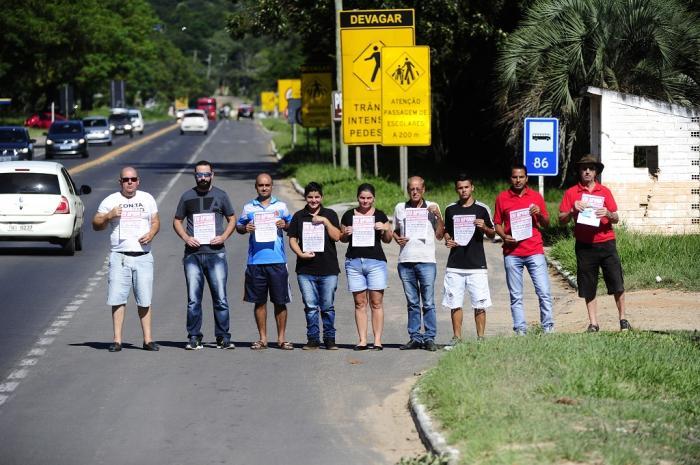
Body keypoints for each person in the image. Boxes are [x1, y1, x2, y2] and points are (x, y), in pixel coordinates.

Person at [558, 155, 630, 332]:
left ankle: (623, 320)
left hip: (606, 242)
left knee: (616, 282)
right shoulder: (571, 193)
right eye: (584, 168)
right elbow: (561, 220)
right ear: (580, 172)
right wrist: (572, 209)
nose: (587, 171)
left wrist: (607, 213)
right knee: (588, 285)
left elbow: (616, 218)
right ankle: (593, 323)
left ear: (596, 171)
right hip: (584, 245)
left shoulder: (604, 191)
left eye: (591, 168)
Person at [92, 166, 160, 352]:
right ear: (120, 182)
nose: (129, 182)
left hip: (143, 256)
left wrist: (152, 233)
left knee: (145, 300)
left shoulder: (147, 199)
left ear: (138, 181)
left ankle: (147, 340)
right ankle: (117, 340)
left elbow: (155, 221)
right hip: (120, 256)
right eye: (125, 180)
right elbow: (96, 224)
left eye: (133, 179)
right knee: (118, 298)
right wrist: (109, 215)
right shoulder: (111, 201)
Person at [173, 160, 237, 350]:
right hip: (193, 255)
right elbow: (177, 220)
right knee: (193, 299)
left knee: (220, 298)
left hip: (216, 254)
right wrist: (186, 237)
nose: (202, 178)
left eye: (206, 174)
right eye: (199, 175)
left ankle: (223, 337)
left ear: (212, 175)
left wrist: (223, 236)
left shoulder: (221, 195)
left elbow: (232, 218)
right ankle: (194, 336)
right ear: (195, 176)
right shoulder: (187, 197)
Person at [493, 164, 554, 335]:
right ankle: (520, 329)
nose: (518, 180)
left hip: (534, 250)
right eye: (514, 177)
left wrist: (540, 213)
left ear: (527, 178)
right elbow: (497, 223)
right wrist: (504, 237)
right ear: (510, 178)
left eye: (521, 177)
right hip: (512, 253)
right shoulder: (502, 198)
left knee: (544, 291)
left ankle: (548, 327)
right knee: (516, 295)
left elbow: (547, 224)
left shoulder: (536, 197)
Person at [236, 173, 294, 350]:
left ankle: (282, 339)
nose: (264, 188)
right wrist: (245, 228)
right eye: (261, 185)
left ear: (272, 187)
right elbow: (239, 226)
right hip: (255, 261)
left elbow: (292, 224)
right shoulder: (248, 208)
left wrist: (285, 224)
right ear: (256, 187)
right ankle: (262, 339)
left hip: (277, 260)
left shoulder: (281, 206)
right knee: (259, 301)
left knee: (280, 301)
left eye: (267, 185)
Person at [441, 174, 496, 346]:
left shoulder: (482, 209)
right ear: (456, 189)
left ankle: (481, 338)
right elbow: (447, 231)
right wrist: (448, 239)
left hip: (477, 264)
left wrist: (484, 227)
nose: (463, 190)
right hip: (455, 264)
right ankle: (457, 338)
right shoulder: (450, 209)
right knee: (454, 303)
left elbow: (493, 233)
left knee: (479, 303)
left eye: (466, 187)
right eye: (460, 188)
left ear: (472, 187)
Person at [392, 176, 444, 351]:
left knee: (428, 302)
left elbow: (439, 235)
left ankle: (429, 337)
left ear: (424, 189)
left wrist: (437, 215)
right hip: (406, 261)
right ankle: (414, 337)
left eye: (418, 189)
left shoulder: (432, 206)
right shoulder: (400, 208)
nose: (415, 192)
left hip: (427, 261)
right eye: (411, 189)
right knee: (412, 302)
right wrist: (397, 238)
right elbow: (396, 231)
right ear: (408, 190)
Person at [287, 182, 341, 350]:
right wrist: (300, 253)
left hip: (328, 268)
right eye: (310, 197)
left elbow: (337, 236)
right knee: (310, 307)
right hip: (305, 269)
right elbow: (292, 239)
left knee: (327, 307)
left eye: (317, 197)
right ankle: (312, 339)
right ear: (305, 198)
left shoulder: (330, 214)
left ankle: (330, 339)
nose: (313, 200)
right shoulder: (298, 216)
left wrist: (325, 221)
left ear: (321, 197)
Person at [340, 183, 393, 351]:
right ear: (357, 198)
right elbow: (342, 238)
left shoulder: (380, 215)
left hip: (376, 261)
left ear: (374, 199)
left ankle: (377, 340)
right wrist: (346, 232)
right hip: (354, 262)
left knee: (376, 302)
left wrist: (385, 228)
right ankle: (362, 339)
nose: (365, 201)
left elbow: (388, 239)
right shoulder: (349, 215)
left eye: (369, 198)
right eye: (362, 198)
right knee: (359, 303)